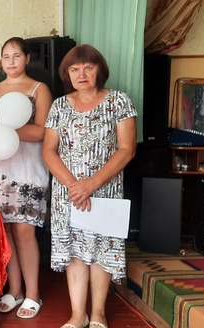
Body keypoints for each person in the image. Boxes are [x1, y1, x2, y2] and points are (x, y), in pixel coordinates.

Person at [42, 44, 137, 328]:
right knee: (74, 253)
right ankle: (77, 315)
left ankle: (98, 314)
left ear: (99, 70)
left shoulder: (119, 101)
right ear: (67, 74)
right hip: (67, 193)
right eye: (74, 69)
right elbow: (48, 150)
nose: (81, 74)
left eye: (88, 67)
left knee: (101, 251)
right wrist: (74, 185)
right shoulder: (59, 105)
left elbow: (127, 149)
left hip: (104, 191)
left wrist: (91, 184)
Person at [0, 37, 52, 318]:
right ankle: (15, 290)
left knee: (24, 230)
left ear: (27, 58)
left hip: (27, 169)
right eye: (6, 56)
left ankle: (34, 294)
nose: (10, 61)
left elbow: (43, 131)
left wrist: (6, 130)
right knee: (6, 232)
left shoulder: (38, 89)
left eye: (16, 55)